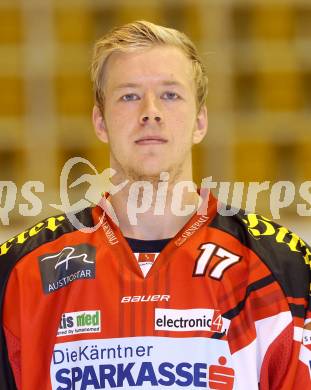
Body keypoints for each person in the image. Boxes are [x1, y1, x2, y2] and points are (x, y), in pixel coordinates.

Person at [0, 20, 310, 390]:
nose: (150, 112)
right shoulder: (21, 272)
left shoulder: (282, 268)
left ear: (199, 121)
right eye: (129, 96)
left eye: (170, 95)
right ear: (100, 122)